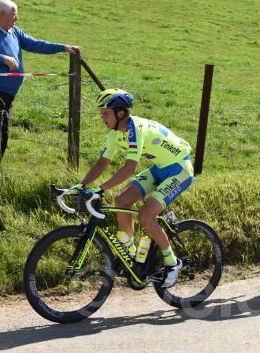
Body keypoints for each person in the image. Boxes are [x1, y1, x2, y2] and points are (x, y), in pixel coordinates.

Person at [71, 88, 193, 288]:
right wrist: (81, 186)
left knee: (146, 215)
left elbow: (130, 168)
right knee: (121, 200)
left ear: (120, 113)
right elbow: (102, 163)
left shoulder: (134, 127)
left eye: (105, 113)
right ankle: (132, 254)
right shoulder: (115, 133)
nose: (102, 118)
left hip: (180, 169)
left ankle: (173, 263)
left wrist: (100, 189)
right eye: (101, 113)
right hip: (160, 169)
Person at [0, 0, 81, 183]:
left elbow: (35, 43)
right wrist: (1, 58)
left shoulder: (14, 32)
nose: (17, 18)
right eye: (14, 14)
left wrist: (63, 48)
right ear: (1, 14)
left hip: (7, 95)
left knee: (1, 137)